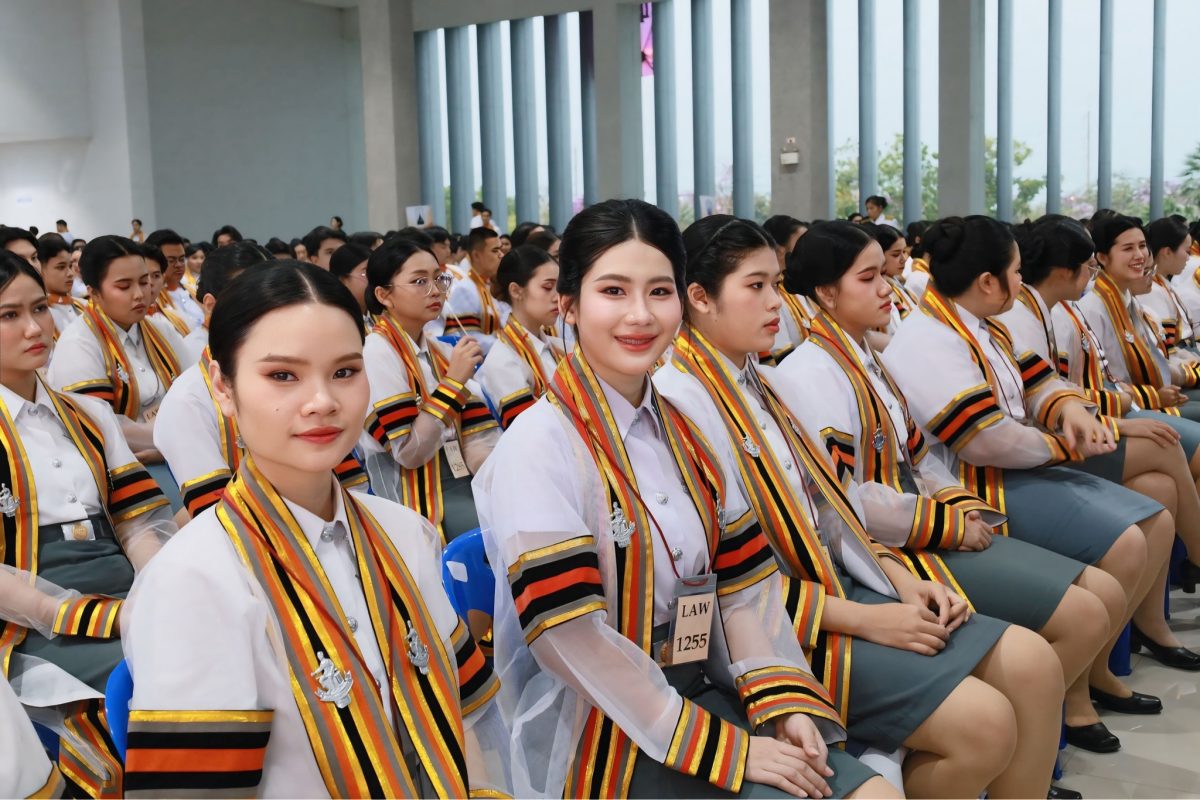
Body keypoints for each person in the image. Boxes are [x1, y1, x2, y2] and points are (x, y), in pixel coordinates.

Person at [474, 199, 899, 800]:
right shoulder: (538, 446)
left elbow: (743, 583)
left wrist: (779, 697)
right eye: (613, 291)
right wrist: (726, 747)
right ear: (568, 305)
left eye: (659, 291)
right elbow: (570, 641)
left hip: (702, 679)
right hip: (604, 725)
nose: (641, 315)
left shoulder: (687, 423)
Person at [656, 217, 1067, 799]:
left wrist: (902, 581)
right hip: (776, 627)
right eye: (756, 287)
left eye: (776, 284)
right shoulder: (681, 406)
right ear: (699, 298)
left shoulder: (768, 383)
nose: (777, 303)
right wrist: (868, 619)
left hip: (838, 585)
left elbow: (836, 509)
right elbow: (720, 589)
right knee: (985, 724)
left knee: (1034, 664)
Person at [122, 262, 509, 797]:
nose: (323, 401)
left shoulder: (405, 533)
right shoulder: (193, 580)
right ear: (222, 385)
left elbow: (463, 718)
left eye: (345, 372)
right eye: (283, 376)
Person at [775, 220, 1133, 763]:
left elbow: (917, 457)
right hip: (889, 546)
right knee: (1078, 618)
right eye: (869, 278)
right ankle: (1028, 748)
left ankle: (1040, 742)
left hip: (924, 521)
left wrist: (959, 510)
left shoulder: (865, 355)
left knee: (1095, 600)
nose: (887, 288)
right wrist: (946, 524)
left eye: (883, 274)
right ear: (826, 293)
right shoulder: (808, 373)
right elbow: (847, 503)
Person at [882, 215, 1179, 719]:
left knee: (1155, 518)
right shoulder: (927, 339)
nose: (1022, 281)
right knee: (1130, 539)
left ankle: (1093, 670)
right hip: (976, 485)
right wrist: (1065, 443)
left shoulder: (984, 323)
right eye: (1017, 272)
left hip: (1014, 464)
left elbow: (1040, 381)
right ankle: (1074, 694)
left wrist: (1069, 411)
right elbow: (986, 442)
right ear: (987, 281)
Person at [0, 251, 174, 796]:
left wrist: (157, 592)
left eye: (40, 309)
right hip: (31, 620)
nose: (36, 328)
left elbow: (137, 524)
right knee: (153, 674)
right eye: (9, 316)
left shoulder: (88, 414)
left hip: (123, 587)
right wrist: (100, 617)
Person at [360, 238, 497, 541]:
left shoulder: (440, 352)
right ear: (384, 295)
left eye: (438, 278)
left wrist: (499, 478)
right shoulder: (376, 352)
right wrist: (452, 384)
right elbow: (409, 453)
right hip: (413, 492)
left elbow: (476, 436)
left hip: (460, 478)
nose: (435, 290)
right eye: (419, 281)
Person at [47, 236, 185, 506]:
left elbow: (200, 396)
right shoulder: (79, 344)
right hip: (121, 471)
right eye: (124, 286)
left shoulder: (162, 330)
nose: (140, 294)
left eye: (144, 282)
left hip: (173, 454)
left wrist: (169, 444)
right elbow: (100, 429)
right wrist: (171, 440)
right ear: (93, 292)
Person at [1079, 213, 1200, 421]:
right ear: (1102, 258)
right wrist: (1152, 397)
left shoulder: (1130, 301)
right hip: (1122, 410)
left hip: (1146, 397)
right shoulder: (1092, 309)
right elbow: (1100, 381)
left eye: (1142, 246)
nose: (1140, 255)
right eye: (1128, 248)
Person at [478, 245, 564, 428]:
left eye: (559, 287)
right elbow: (527, 433)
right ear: (516, 291)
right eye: (548, 287)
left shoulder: (560, 347)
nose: (558, 297)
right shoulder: (503, 361)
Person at [443, 227, 508, 353]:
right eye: (495, 251)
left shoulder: (487, 285)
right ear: (476, 255)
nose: (501, 255)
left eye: (500, 250)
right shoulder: (465, 289)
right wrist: (508, 346)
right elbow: (467, 338)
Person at [146, 229, 205, 330]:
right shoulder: (151, 300)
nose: (179, 265)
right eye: (171, 260)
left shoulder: (191, 289)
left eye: (181, 259)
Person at [37, 233, 83, 335]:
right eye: (61, 267)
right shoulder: (38, 315)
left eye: (70, 266)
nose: (70, 273)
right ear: (39, 268)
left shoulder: (84, 305)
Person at [328, 242, 373, 327]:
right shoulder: (336, 321)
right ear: (342, 280)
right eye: (366, 273)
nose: (375, 278)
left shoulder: (381, 314)